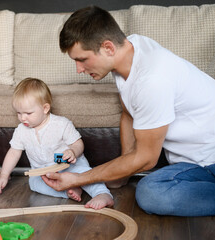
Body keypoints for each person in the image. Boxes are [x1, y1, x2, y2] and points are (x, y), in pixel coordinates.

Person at [42, 6, 215, 216]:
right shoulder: (130, 49)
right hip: (194, 163)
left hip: (209, 161)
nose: (79, 69)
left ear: (108, 48)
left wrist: (79, 178)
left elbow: (146, 159)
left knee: (151, 193)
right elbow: (128, 112)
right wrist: (123, 173)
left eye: (82, 59)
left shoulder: (152, 79)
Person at [0, 78, 114, 210]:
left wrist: (73, 151)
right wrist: (4, 175)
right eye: (19, 113)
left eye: (28, 113)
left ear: (45, 108)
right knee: (34, 184)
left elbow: (78, 143)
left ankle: (102, 194)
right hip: (43, 173)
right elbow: (13, 152)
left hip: (68, 167)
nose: (23, 118)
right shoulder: (21, 130)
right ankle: (69, 191)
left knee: (84, 172)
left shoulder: (61, 124)